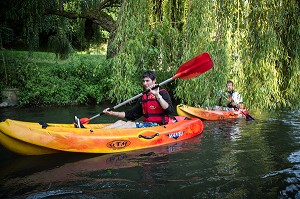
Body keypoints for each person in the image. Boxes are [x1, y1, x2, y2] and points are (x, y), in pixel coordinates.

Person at [102, 70, 174, 129]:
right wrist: (112, 113)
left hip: (159, 126)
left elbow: (169, 110)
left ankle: (108, 138)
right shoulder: (143, 97)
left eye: (147, 81)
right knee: (119, 122)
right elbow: (131, 115)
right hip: (147, 125)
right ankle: (99, 134)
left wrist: (157, 95)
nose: (145, 83)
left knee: (129, 124)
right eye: (143, 81)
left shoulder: (162, 93)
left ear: (154, 80)